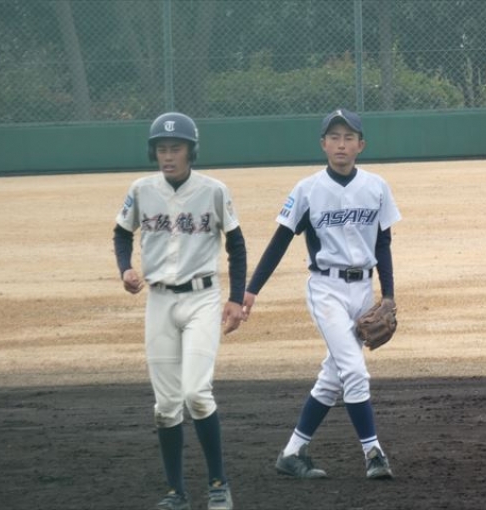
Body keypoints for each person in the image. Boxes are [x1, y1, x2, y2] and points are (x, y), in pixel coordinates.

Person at [242, 108, 401, 480]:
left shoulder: (377, 187)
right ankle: (374, 454)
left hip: (363, 291)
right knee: (354, 371)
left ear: (361, 145)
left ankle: (292, 453)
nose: (341, 144)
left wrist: (389, 295)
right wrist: (252, 290)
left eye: (348, 138)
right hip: (326, 289)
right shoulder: (308, 189)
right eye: (334, 137)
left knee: (333, 377)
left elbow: (383, 244)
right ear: (323, 144)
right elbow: (280, 241)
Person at [113, 112, 245, 510]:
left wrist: (236, 298)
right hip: (159, 301)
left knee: (196, 394)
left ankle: (218, 483)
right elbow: (121, 233)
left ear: (191, 151)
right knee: (166, 406)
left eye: (176, 148)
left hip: (203, 299)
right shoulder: (141, 190)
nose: (168, 156)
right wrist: (126, 269)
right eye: (161, 149)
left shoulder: (214, 191)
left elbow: (236, 246)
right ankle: (176, 492)